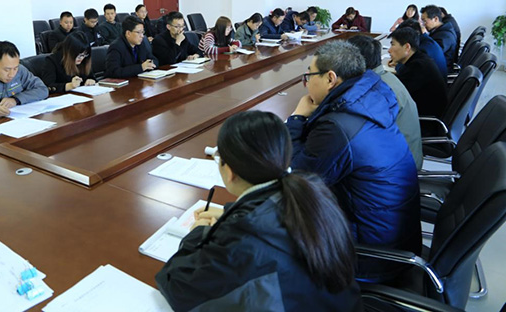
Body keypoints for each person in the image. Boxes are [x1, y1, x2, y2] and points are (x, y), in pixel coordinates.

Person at [156, 111, 362, 311]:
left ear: (229, 171)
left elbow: (176, 285)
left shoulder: (242, 238)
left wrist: (197, 233)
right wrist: (230, 214)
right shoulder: (312, 192)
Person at [285, 41, 420, 279]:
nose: (306, 83)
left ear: (330, 78)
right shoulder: (368, 97)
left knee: (275, 230)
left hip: (369, 255)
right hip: (394, 238)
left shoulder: (339, 125)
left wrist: (296, 118)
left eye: (309, 76)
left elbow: (298, 177)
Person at [348, 35, 423, 169]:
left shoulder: (375, 91)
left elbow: (352, 132)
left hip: (398, 168)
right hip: (402, 158)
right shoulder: (384, 78)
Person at [388, 27, 448, 122]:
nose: (389, 50)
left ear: (407, 47)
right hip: (424, 114)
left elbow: (395, 94)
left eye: (393, 45)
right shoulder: (419, 59)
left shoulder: (418, 66)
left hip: (425, 121)